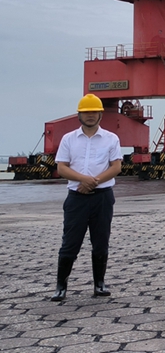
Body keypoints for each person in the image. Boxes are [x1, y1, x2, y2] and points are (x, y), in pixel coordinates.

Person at [50, 94, 122, 302]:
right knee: (70, 242)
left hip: (102, 197)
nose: (90, 115)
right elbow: (62, 167)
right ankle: (61, 286)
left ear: (101, 114)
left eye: (94, 112)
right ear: (79, 115)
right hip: (76, 198)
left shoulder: (111, 139)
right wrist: (84, 180)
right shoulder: (68, 139)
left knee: (101, 241)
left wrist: (94, 182)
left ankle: (99, 284)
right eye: (86, 112)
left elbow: (116, 167)